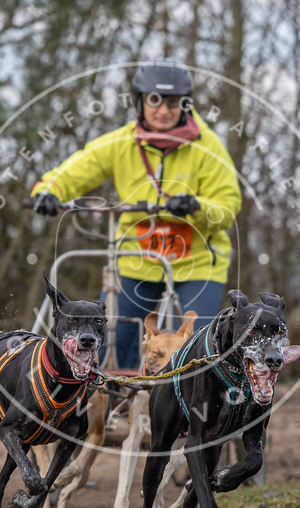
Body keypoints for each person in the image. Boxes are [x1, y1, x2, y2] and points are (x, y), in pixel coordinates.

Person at [31, 61, 242, 369]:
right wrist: (48, 192)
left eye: (173, 103)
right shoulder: (121, 142)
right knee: (110, 335)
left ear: (185, 105)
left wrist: (196, 206)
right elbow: (76, 169)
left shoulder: (208, 147)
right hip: (135, 254)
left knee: (199, 345)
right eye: (154, 100)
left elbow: (228, 205)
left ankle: (193, 409)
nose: (163, 110)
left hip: (195, 260)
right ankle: (109, 401)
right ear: (139, 102)